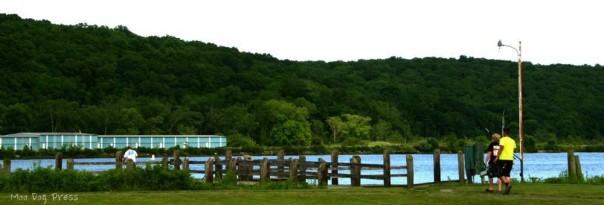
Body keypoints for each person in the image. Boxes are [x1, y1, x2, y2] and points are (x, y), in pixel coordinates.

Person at [495, 128, 516, 195]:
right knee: (507, 173)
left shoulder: (502, 139)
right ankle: (507, 189)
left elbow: (501, 149)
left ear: (504, 132)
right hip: (510, 159)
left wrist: (497, 157)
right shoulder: (512, 140)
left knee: (499, 173)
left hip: (503, 158)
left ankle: (507, 185)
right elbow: (513, 150)